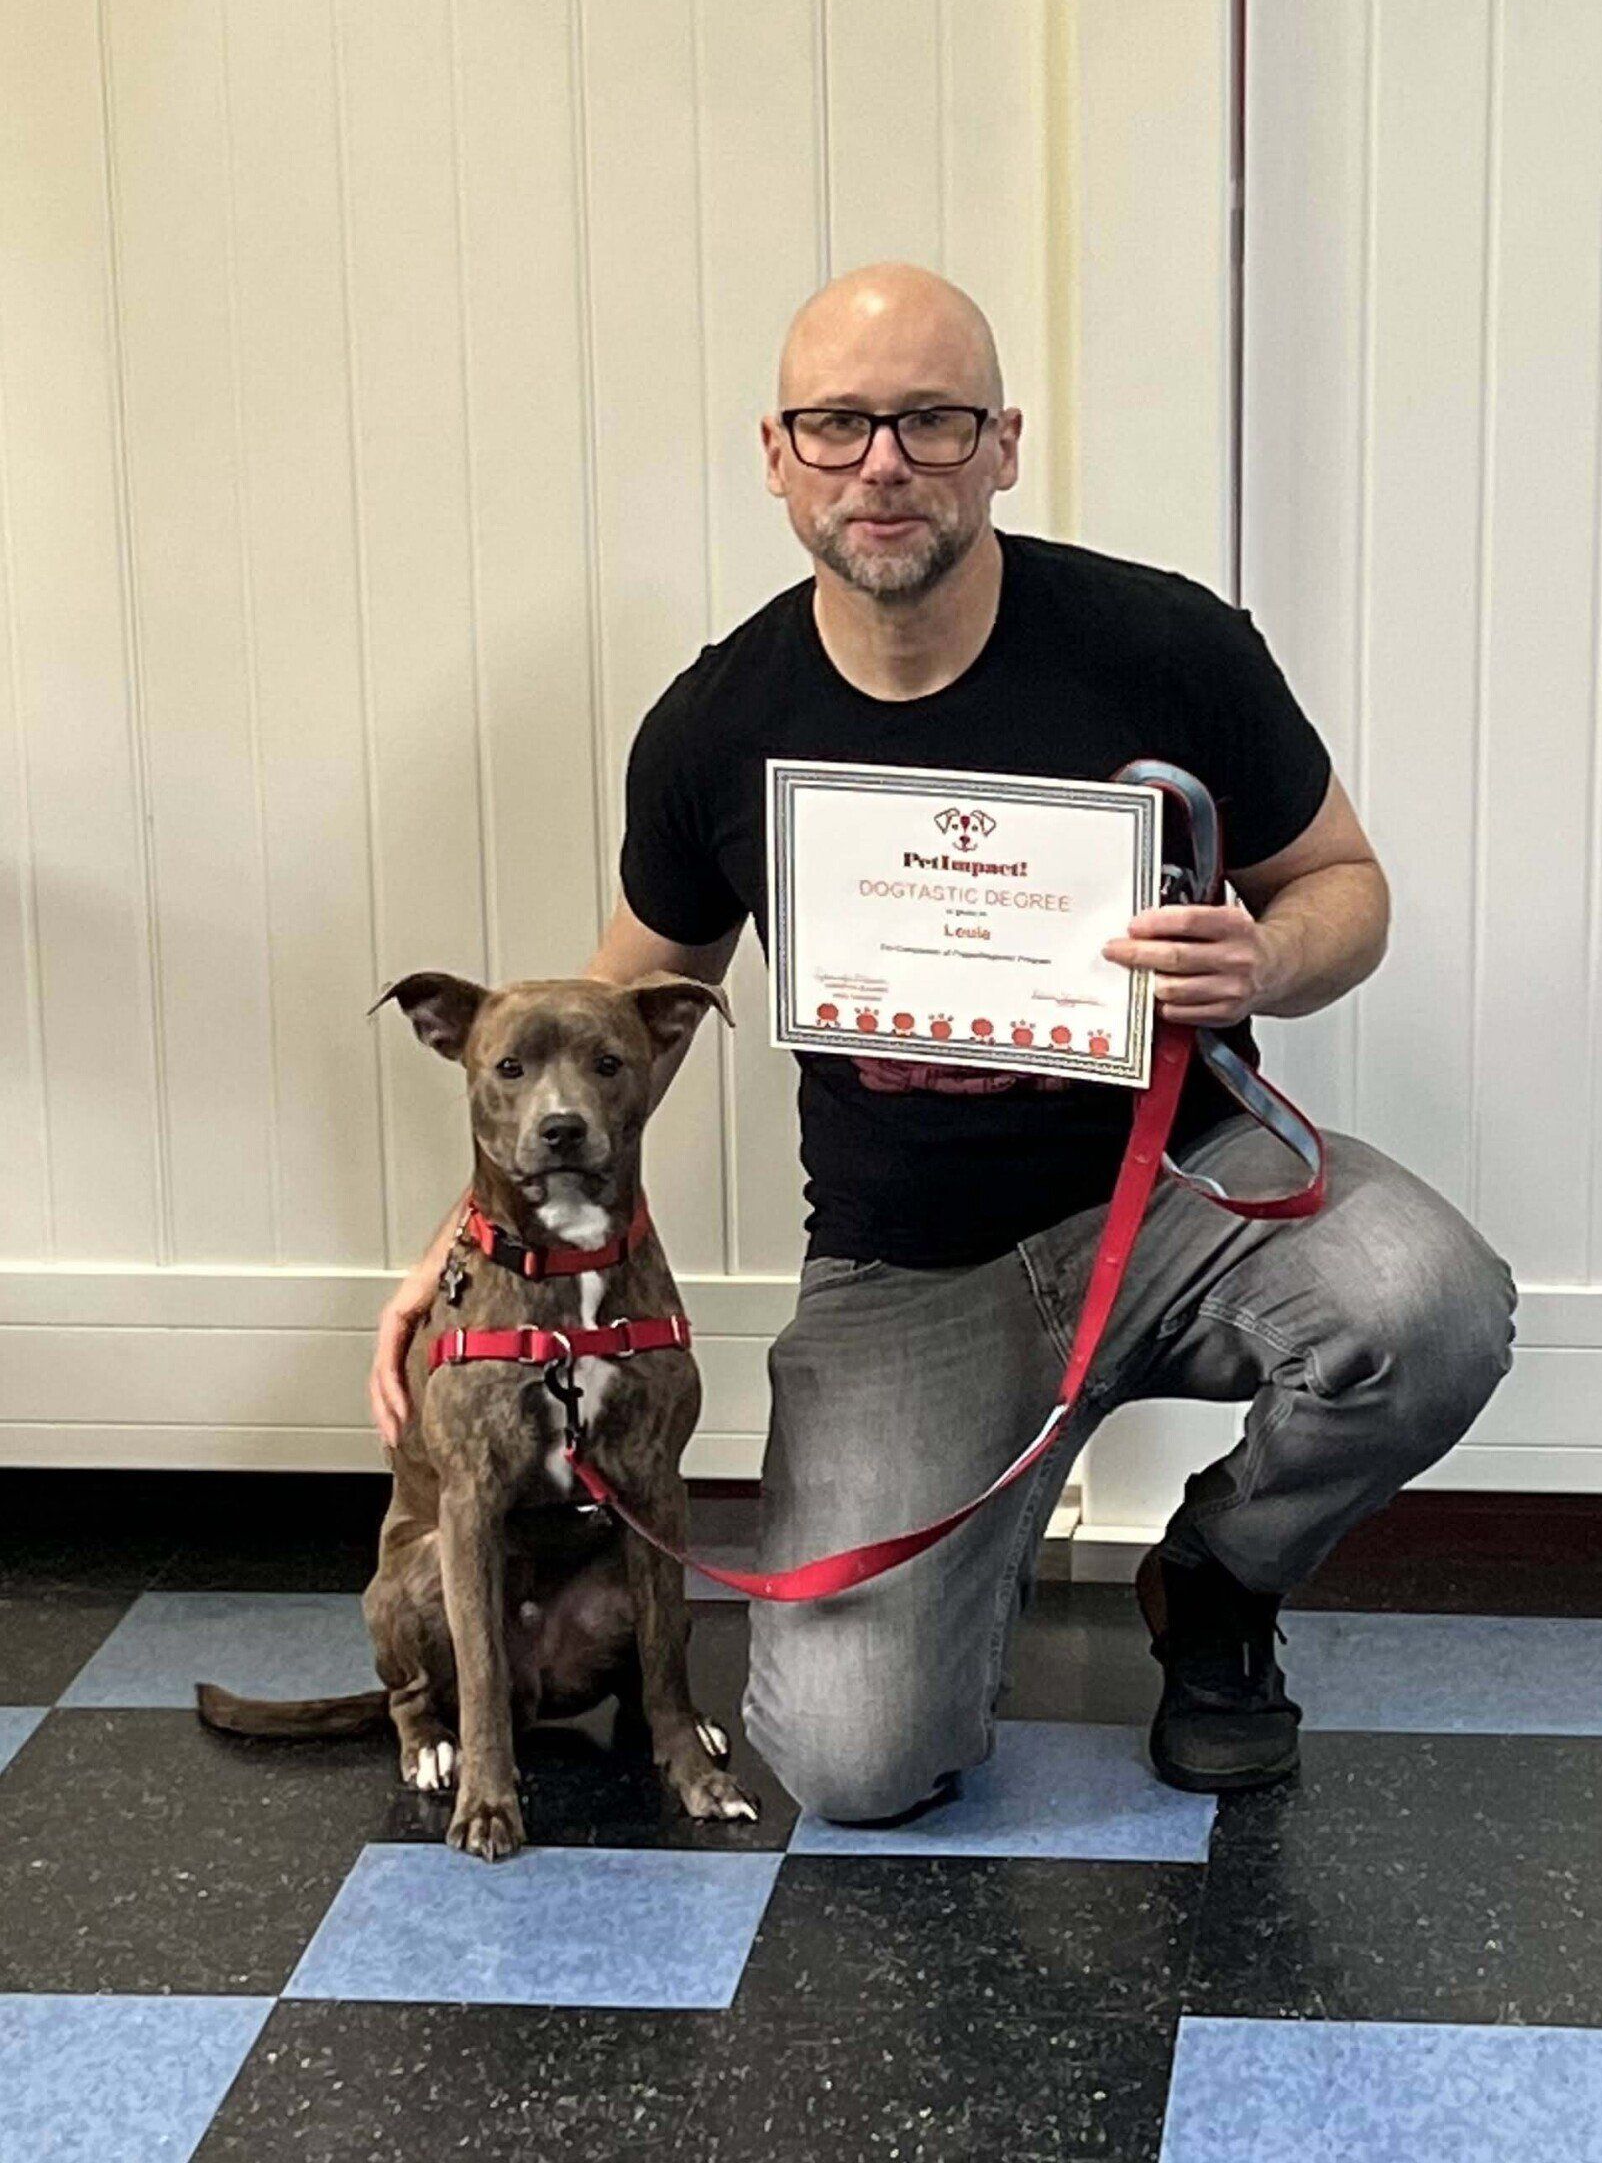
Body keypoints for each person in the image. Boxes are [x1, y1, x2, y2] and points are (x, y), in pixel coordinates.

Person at [369, 261, 1517, 1821]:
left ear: (1005, 443)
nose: (884, 464)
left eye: (930, 419)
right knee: (852, 1761)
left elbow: (1347, 891)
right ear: (776, 456)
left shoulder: (1163, 644)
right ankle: (969, 1559)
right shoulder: (716, 724)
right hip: (907, 1269)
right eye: (838, 425)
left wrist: (1263, 954)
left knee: (1431, 1303)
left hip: (1178, 1187)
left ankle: (1219, 1584)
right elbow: (608, 1013)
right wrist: (463, 1255)